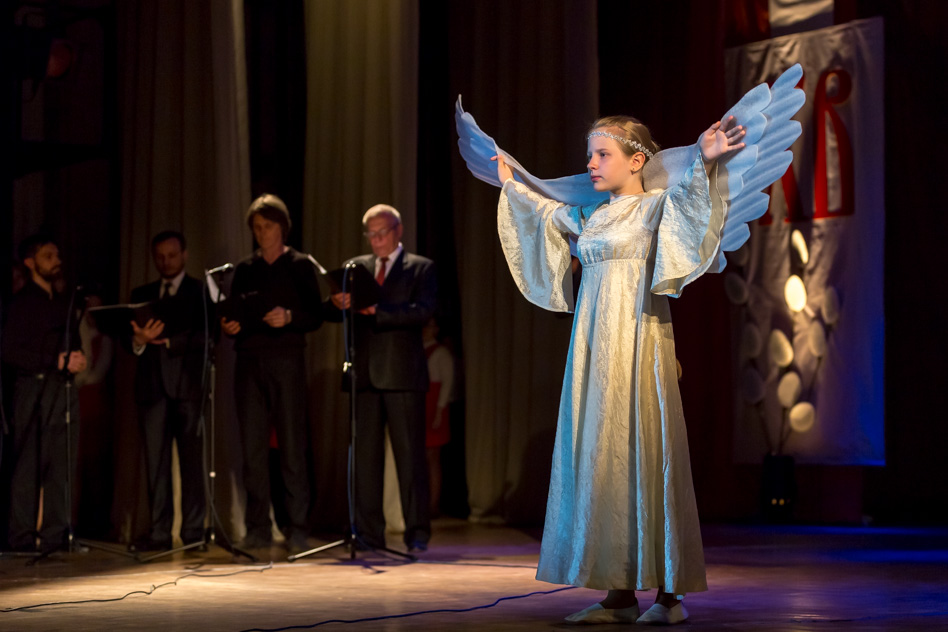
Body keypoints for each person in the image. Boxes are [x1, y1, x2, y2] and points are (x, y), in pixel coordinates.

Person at [488, 115, 747, 625]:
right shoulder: (592, 215)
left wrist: (703, 159)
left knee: (648, 453)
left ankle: (669, 597)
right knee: (604, 459)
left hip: (638, 340)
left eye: (602, 154)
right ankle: (618, 595)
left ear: (636, 161)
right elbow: (544, 214)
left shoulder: (655, 207)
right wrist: (512, 186)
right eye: (591, 154)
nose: (591, 164)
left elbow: (692, 209)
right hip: (594, 350)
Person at [326, 204, 436, 552]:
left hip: (402, 375)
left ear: (398, 230)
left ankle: (417, 532)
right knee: (365, 460)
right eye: (370, 234)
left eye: (381, 233)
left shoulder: (420, 267)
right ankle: (368, 532)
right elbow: (331, 313)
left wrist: (379, 310)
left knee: (410, 458)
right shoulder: (355, 268)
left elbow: (424, 311)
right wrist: (337, 303)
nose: (375, 240)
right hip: (364, 375)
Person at [221, 194, 323, 553]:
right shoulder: (245, 269)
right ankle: (258, 527)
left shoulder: (299, 265)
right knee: (253, 450)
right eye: (257, 227)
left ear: (282, 227)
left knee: (292, 447)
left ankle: (297, 527)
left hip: (287, 361)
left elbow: (316, 315)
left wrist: (289, 317)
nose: (262, 233)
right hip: (249, 362)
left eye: (267, 226)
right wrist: (230, 326)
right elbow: (235, 312)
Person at [2, 235, 87, 553]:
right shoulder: (20, 303)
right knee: (29, 464)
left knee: (61, 464)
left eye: (57, 255)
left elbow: (73, 341)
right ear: (30, 262)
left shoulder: (64, 302)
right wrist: (54, 360)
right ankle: (22, 537)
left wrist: (76, 358)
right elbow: (8, 351)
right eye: (48, 256)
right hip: (34, 387)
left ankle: (57, 534)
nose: (56, 261)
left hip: (63, 388)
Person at [126, 231, 208, 551]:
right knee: (156, 465)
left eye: (172, 255)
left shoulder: (199, 291)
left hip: (188, 388)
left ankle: (193, 533)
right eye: (160, 256)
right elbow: (127, 340)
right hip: (152, 389)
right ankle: (160, 532)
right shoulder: (142, 294)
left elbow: (209, 338)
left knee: (191, 464)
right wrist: (138, 341)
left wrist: (170, 342)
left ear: (184, 255)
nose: (166, 262)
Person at [422, 317, 454, 517]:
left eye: (430, 325)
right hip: (421, 403)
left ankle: (433, 504)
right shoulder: (417, 350)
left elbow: (447, 383)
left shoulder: (441, 353)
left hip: (434, 407)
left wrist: (439, 411)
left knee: (432, 458)